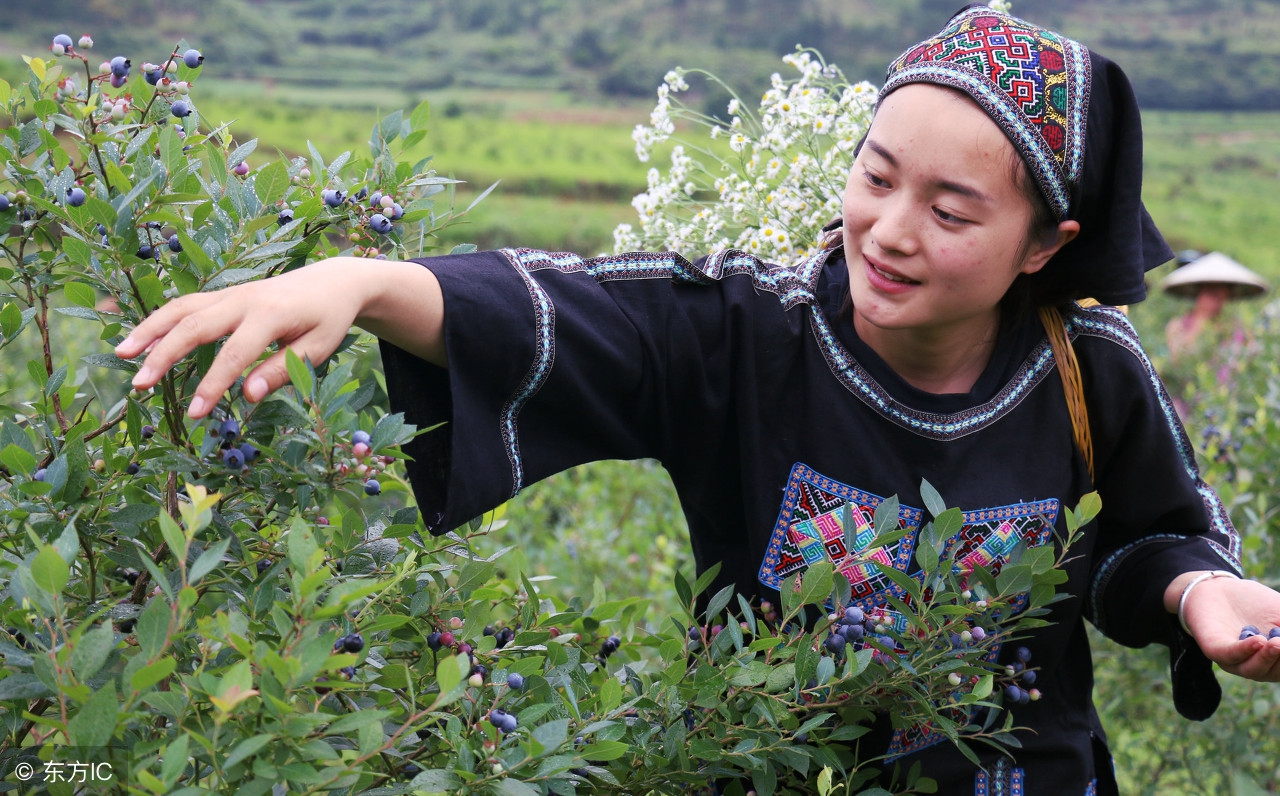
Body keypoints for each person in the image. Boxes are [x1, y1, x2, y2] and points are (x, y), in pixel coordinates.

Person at [113, 5, 1280, 793]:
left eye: (949, 210)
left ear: (1042, 244)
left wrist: (1200, 591)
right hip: (770, 770)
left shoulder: (1085, 365)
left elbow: (1144, 537)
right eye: (874, 176)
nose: (887, 230)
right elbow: (563, 310)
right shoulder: (747, 334)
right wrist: (362, 282)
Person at [1162, 250, 1268, 362]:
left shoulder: (1234, 327)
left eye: (1220, 295)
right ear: (1201, 292)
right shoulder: (1177, 325)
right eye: (1211, 293)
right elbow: (1178, 359)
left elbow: (1248, 357)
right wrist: (1203, 318)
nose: (1215, 300)